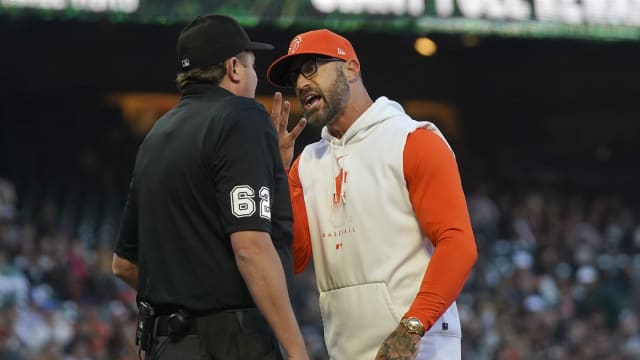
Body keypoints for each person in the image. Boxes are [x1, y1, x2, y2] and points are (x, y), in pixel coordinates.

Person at [267, 29, 478, 360]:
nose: (301, 83)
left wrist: (412, 327)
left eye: (311, 68)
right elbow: (296, 258)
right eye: (295, 76)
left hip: (418, 346)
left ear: (351, 68)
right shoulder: (306, 163)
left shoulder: (413, 140)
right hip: (345, 348)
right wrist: (278, 177)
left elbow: (458, 243)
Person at [111, 14, 309, 360]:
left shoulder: (158, 134)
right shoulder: (242, 117)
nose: (254, 75)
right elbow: (250, 246)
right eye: (251, 65)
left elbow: (124, 264)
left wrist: (269, 168)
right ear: (233, 67)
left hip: (165, 345)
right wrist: (296, 350)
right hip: (230, 344)